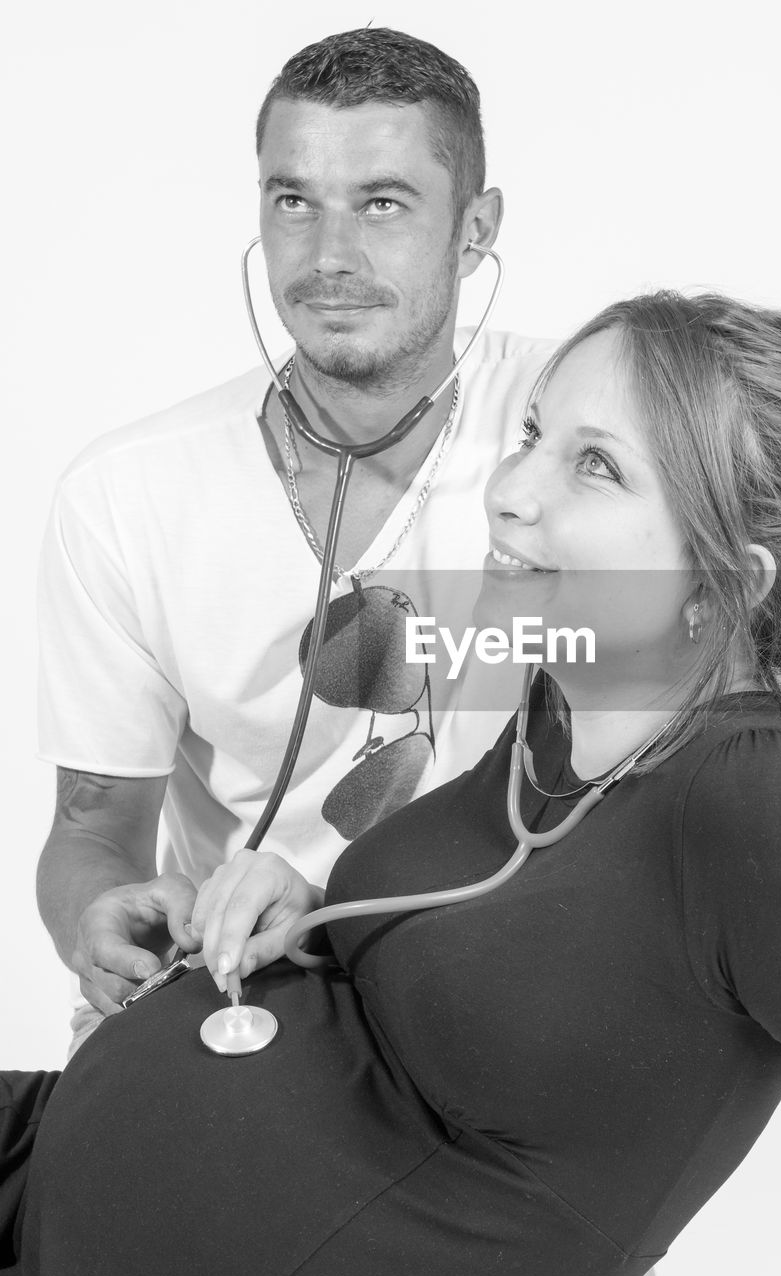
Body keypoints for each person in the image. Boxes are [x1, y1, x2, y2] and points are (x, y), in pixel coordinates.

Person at [7, 291, 781, 1276]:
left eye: (594, 465)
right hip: (48, 1157)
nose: (510, 486)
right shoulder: (561, 703)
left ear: (726, 584)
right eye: (534, 429)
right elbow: (502, 979)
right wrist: (311, 913)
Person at [34, 28, 554, 1047]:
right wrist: (99, 917)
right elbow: (93, 828)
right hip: (257, 1000)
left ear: (475, 227)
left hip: (514, 992)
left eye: (383, 203)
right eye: (292, 201)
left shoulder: (577, 429)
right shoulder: (128, 494)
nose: (328, 258)